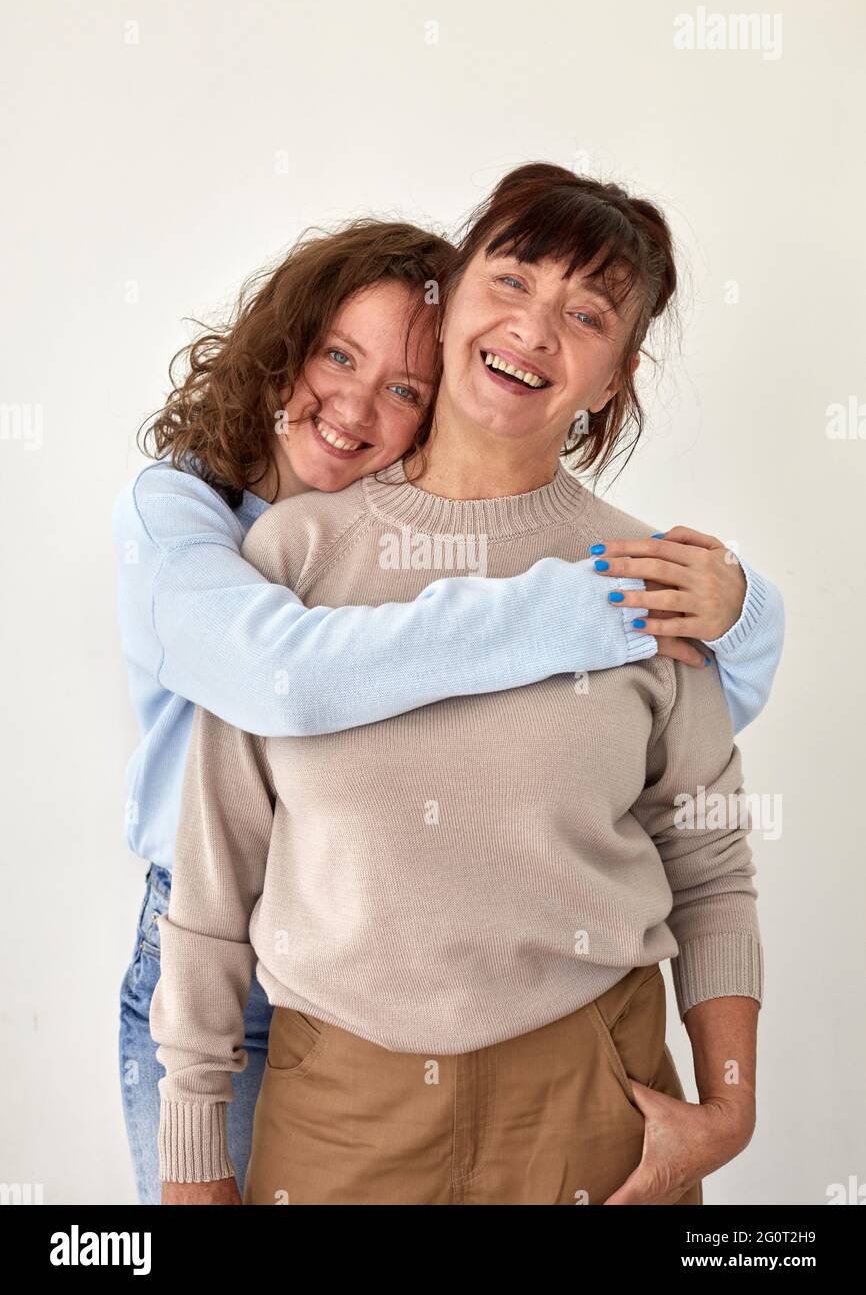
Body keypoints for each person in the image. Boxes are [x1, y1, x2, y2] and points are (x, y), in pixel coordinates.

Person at [146, 163, 779, 1205]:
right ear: (445, 303)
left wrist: (727, 1107)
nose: (535, 327)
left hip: (595, 1108)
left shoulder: (655, 578)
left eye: (586, 313)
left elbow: (708, 863)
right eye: (512, 278)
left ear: (614, 375)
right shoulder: (291, 560)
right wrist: (190, 1152)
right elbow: (214, 879)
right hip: (335, 1112)